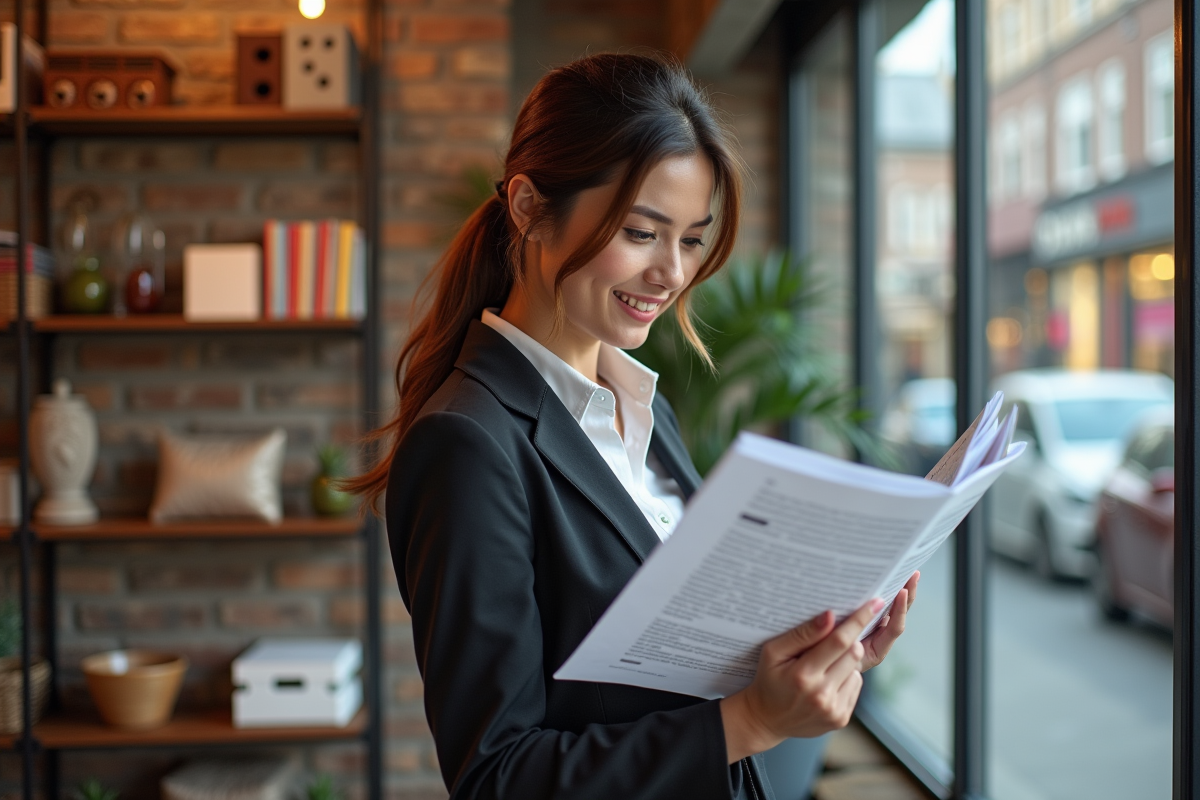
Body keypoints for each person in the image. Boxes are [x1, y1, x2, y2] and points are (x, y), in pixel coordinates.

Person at [349, 52, 919, 800]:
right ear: (528, 207)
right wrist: (749, 720)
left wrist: (817, 651)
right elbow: (496, 779)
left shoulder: (644, 407)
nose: (673, 274)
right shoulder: (468, 443)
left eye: (691, 239)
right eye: (642, 232)